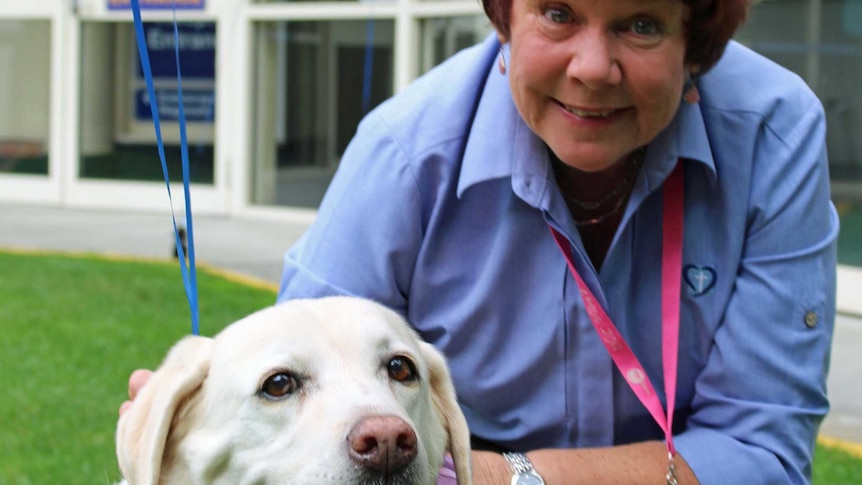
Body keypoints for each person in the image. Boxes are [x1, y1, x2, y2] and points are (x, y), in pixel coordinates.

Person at [125, 0, 838, 483]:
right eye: (557, 13)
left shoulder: (774, 136)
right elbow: (309, 414)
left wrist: (496, 477)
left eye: (641, 24)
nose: (592, 66)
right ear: (504, 18)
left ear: (698, 48)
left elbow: (760, 459)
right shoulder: (404, 154)